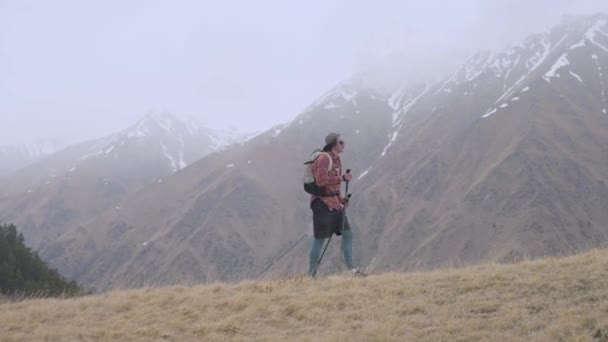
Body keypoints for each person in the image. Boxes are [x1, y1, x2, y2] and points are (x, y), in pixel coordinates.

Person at [308, 132, 365, 277]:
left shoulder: (337, 160)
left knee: (348, 234)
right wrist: (342, 177)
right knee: (319, 240)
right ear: (333, 144)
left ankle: (352, 270)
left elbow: (334, 186)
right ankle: (311, 276)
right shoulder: (323, 159)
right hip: (321, 204)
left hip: (334, 204)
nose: (343, 144)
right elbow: (321, 181)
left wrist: (341, 200)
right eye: (341, 142)